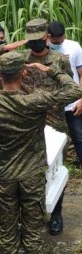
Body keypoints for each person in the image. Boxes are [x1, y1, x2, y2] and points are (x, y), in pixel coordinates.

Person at [0, 51, 82, 254]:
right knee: (32, 233)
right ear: (23, 73)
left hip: (5, 175)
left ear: (0, 74)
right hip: (32, 174)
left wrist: (2, 141)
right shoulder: (36, 101)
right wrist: (52, 70)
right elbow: (74, 90)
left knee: (7, 232)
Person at [0, 18, 73, 235]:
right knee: (28, 176)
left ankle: (56, 213)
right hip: (26, 125)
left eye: (39, 39)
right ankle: (24, 221)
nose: (35, 44)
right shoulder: (19, 59)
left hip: (54, 124)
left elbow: (69, 89)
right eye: (30, 40)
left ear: (47, 37)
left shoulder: (59, 61)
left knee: (55, 173)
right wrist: (8, 47)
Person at [48, 21, 82, 166]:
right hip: (52, 104)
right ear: (48, 37)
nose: (58, 43)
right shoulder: (41, 48)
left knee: (79, 136)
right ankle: (55, 165)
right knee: (51, 137)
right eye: (55, 41)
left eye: (60, 40)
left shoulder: (74, 47)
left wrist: (81, 99)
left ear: (64, 35)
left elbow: (81, 74)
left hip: (73, 102)